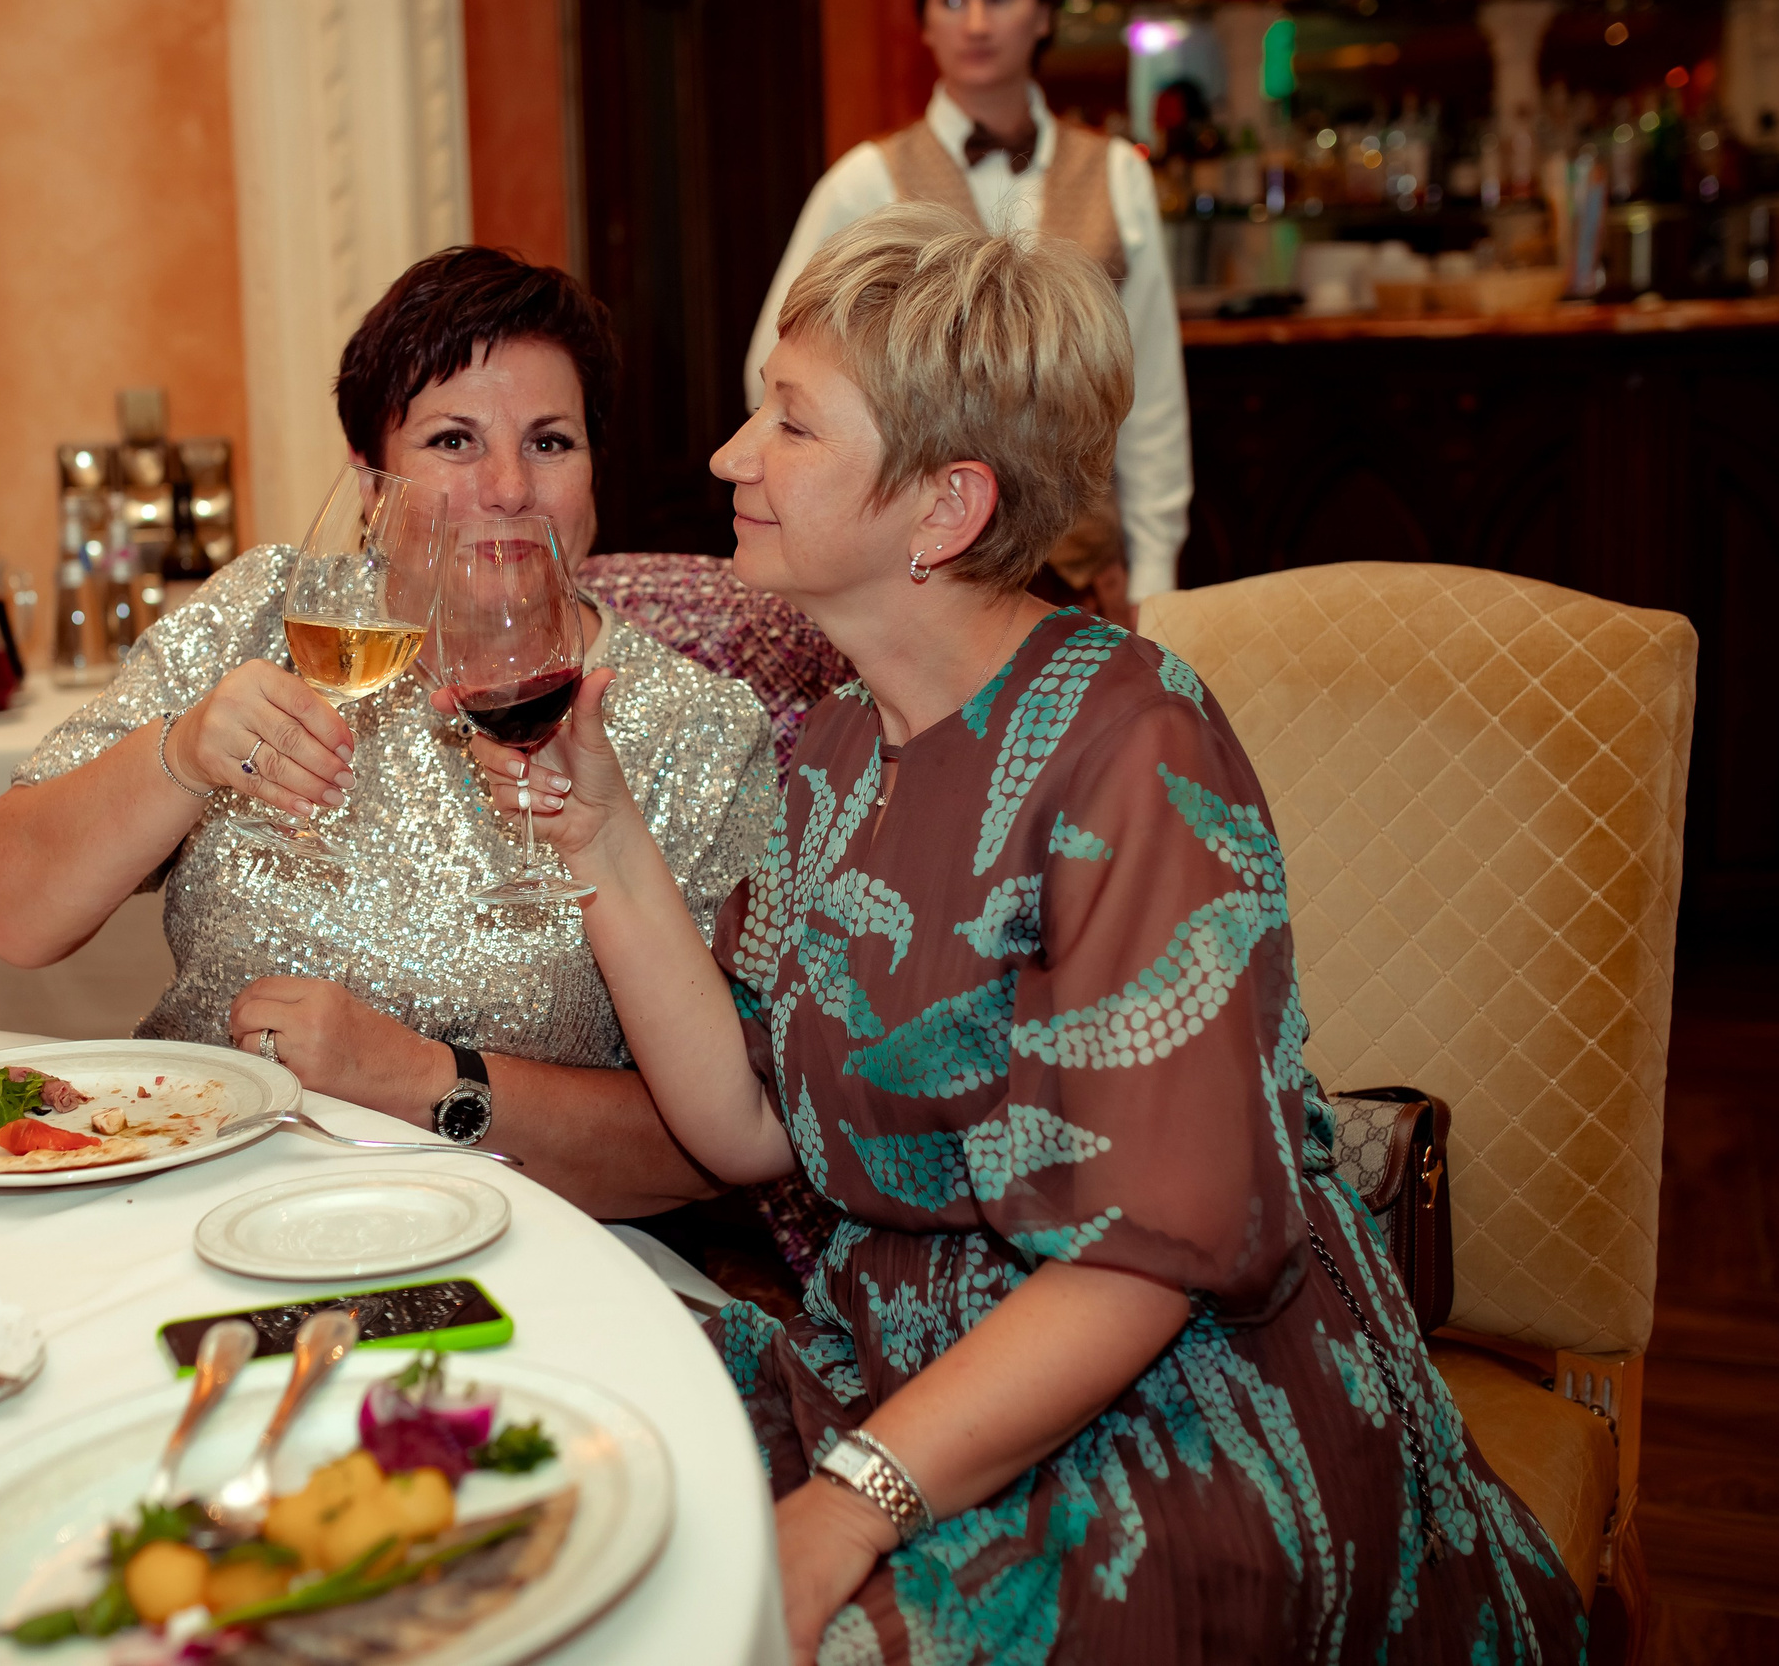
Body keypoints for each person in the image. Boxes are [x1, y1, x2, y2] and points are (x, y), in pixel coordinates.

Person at [477, 207, 1583, 1662]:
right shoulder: (831, 753)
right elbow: (750, 1122)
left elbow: (1145, 1261)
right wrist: (603, 838)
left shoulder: (1135, 747)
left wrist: (849, 1505)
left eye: (791, 423)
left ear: (943, 509)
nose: (730, 455)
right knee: (539, 1503)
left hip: (1181, 1408)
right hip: (891, 1355)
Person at [0, 247, 778, 1218]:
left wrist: (423, 1080)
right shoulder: (265, 614)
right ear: (369, 478)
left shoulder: (692, 729)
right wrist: (176, 757)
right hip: (192, 1194)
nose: (509, 485)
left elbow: (722, 1149)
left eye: (551, 441)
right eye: (454, 441)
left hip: (514, 1250)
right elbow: (2, 914)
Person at [746, 0, 1188, 619]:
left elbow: (1149, 387)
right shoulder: (865, 182)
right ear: (923, 24)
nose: (976, 22)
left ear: (1041, 16)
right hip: (919, 578)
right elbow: (776, 376)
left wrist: (1155, 572)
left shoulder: (1119, 174)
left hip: (1084, 573)